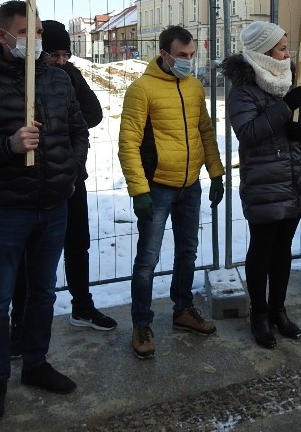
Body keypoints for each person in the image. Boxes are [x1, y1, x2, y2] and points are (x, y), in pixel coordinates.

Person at [0, 1, 89, 425]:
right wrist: (7, 145)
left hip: (53, 205)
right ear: (4, 35)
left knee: (44, 292)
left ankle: (36, 363)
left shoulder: (58, 79)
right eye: (27, 32)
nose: (36, 40)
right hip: (5, 210)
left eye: (40, 32)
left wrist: (70, 171)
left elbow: (78, 129)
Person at [118, 25, 225, 360]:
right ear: (164, 54)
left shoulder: (193, 87)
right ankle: (141, 323)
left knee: (188, 253)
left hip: (190, 186)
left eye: (192, 55)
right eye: (182, 56)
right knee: (148, 259)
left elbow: (205, 131)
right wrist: (139, 190)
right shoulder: (141, 90)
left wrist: (216, 174)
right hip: (158, 188)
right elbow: (128, 143)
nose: (188, 61)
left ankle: (183, 309)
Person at [9, 20, 113, 359]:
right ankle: (19, 323)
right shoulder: (21, 78)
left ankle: (82, 305)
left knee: (77, 243)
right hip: (28, 181)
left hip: (69, 176)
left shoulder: (69, 76)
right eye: (55, 53)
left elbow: (93, 115)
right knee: (27, 255)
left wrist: (69, 83)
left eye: (66, 53)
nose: (62, 60)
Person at [222, 22, 301, 349]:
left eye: (288, 47)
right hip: (263, 180)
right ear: (263, 52)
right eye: (281, 49)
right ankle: (258, 316)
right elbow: (248, 133)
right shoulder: (242, 89)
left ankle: (278, 310)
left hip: (292, 177)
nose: (287, 54)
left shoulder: (286, 80)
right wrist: (285, 108)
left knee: (283, 250)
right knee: (262, 250)